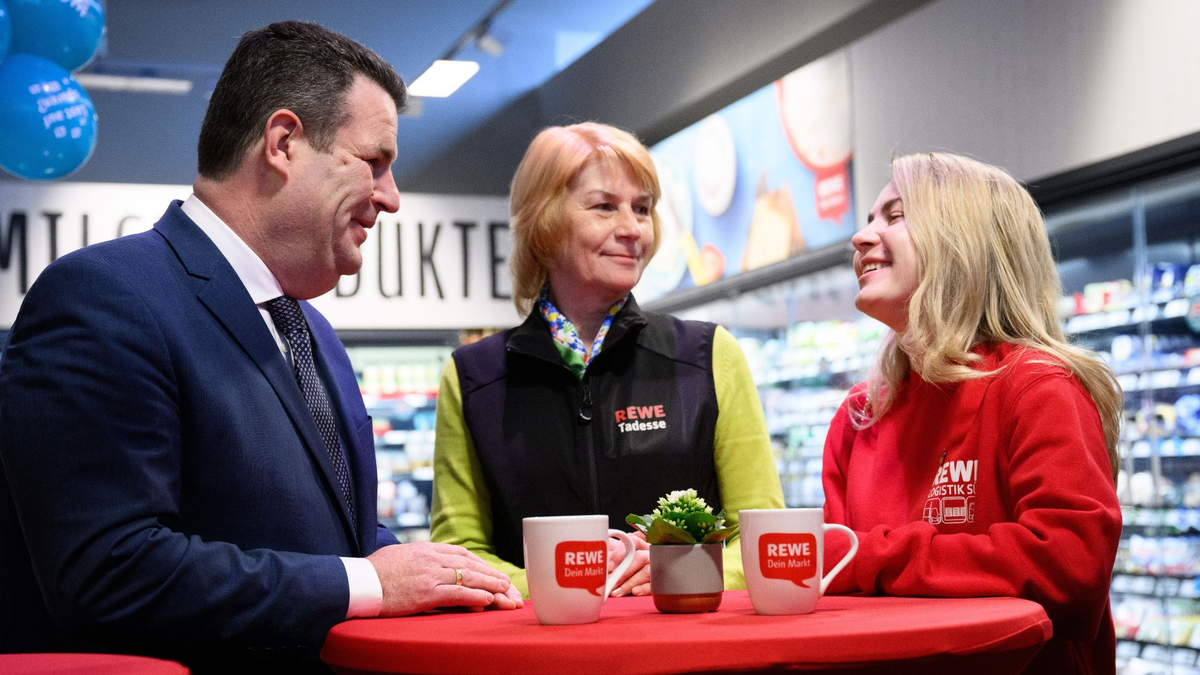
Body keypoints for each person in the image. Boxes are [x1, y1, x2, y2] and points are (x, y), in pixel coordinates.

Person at [0, 21, 519, 671]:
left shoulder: (312, 332)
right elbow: (109, 567)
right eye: (376, 161)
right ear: (283, 143)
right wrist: (371, 584)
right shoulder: (102, 297)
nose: (389, 198)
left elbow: (339, 539)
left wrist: (465, 578)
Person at [429, 121, 784, 597]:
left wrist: (680, 569)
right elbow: (460, 553)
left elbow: (765, 541)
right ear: (544, 222)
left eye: (642, 209)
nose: (632, 229)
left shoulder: (708, 355)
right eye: (604, 207)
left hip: (684, 652)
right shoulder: (474, 377)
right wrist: (568, 583)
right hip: (542, 661)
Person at [822, 152, 1122, 674]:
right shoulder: (858, 417)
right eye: (870, 219)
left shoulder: (1037, 388)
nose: (861, 237)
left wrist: (871, 557)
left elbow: (1070, 569)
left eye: (894, 216)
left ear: (964, 241)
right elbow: (836, 581)